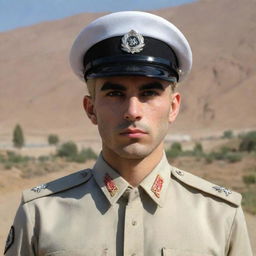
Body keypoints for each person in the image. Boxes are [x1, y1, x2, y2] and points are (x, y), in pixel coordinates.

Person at [4, 11, 252, 256]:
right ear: (91, 109)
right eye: (114, 94)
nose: (132, 112)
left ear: (173, 107)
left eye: (149, 93)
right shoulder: (41, 214)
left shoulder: (220, 216)